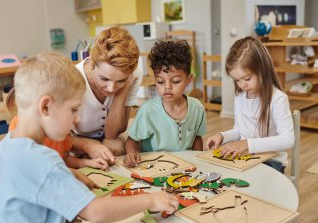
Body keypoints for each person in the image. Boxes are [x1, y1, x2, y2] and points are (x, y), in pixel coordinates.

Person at [0, 52, 178, 223]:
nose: (77, 120)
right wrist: (151, 200)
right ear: (46, 106)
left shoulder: (6, 147)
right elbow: (95, 212)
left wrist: (68, 174)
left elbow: (27, 181)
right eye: (73, 110)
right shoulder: (44, 161)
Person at [205, 36, 294, 173]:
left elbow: (288, 139)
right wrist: (222, 136)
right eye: (236, 80)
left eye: (247, 78)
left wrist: (247, 144)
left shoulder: (278, 99)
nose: (242, 85)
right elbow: (239, 130)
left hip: (271, 160)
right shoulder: (240, 96)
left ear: (263, 70)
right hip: (245, 156)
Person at [124, 40, 207, 168]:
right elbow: (132, 140)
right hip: (154, 166)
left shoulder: (197, 108)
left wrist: (198, 162)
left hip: (185, 167)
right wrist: (131, 153)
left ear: (188, 80)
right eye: (160, 82)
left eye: (176, 81)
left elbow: (197, 138)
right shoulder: (148, 111)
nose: (167, 87)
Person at [74, 26, 143, 158]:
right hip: (75, 138)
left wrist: (124, 89)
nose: (111, 88)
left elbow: (113, 134)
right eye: (104, 78)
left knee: (115, 146)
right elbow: (57, 137)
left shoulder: (134, 73)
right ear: (92, 63)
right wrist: (88, 145)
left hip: (109, 137)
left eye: (121, 80)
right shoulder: (73, 77)